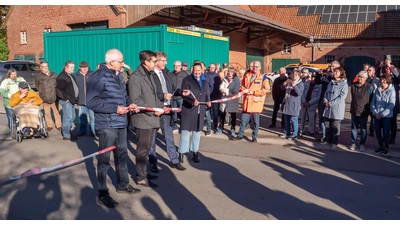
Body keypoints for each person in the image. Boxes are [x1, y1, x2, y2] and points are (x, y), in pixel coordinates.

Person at [87, 49, 141, 209]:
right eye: (120, 62)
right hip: (107, 125)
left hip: (121, 123)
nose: (123, 64)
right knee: (104, 161)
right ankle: (103, 194)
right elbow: (91, 102)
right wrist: (115, 109)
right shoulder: (97, 78)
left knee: (122, 156)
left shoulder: (118, 76)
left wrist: (129, 103)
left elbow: (123, 96)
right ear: (111, 62)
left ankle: (123, 184)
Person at [130, 50, 163, 188]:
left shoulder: (149, 74)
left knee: (147, 148)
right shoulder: (136, 77)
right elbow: (135, 99)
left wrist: (161, 106)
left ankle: (144, 172)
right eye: (154, 61)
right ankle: (141, 177)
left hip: (151, 119)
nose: (156, 63)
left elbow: (154, 96)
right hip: (143, 119)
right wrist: (153, 110)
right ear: (145, 62)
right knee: (142, 150)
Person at [149, 51, 187, 172]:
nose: (166, 63)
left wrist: (181, 92)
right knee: (152, 139)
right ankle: (153, 162)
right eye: (164, 60)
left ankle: (174, 161)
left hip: (167, 111)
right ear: (157, 61)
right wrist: (162, 96)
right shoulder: (150, 75)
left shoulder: (165, 74)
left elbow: (171, 89)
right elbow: (150, 94)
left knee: (169, 137)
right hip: (155, 111)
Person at [178, 62, 211, 163]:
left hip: (200, 110)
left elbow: (206, 92)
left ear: (202, 70)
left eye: (199, 70)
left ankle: (195, 152)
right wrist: (192, 102)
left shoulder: (204, 80)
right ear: (192, 70)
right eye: (195, 70)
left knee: (197, 132)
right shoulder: (187, 79)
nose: (197, 72)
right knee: (185, 132)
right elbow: (184, 94)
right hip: (189, 109)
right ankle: (181, 153)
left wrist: (208, 101)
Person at [233, 60, 271, 142]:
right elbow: (242, 85)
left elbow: (267, 90)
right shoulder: (247, 75)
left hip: (256, 103)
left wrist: (254, 92)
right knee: (243, 120)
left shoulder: (263, 77)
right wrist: (244, 90)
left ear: (260, 67)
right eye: (253, 66)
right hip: (247, 103)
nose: (255, 68)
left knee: (256, 122)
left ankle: (254, 137)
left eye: (257, 67)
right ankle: (240, 135)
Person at [321, 67, 348, 149]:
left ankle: (335, 142)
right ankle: (328, 140)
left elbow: (342, 97)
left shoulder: (344, 84)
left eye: (336, 72)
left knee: (335, 126)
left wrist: (331, 103)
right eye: (334, 72)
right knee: (327, 125)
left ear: (341, 73)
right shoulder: (331, 83)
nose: (334, 73)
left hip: (336, 107)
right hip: (328, 108)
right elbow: (326, 93)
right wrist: (325, 100)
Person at [0, 68, 28, 140]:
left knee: (21, 116)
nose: (14, 76)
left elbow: (28, 87)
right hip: (9, 103)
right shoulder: (6, 81)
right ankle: (12, 132)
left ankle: (23, 130)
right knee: (11, 118)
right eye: (12, 74)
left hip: (20, 101)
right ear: (9, 75)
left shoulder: (20, 79)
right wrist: (9, 95)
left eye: (15, 74)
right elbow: (2, 91)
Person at [371, 74, 396, 156]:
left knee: (386, 132)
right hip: (377, 114)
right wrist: (375, 112)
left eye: (384, 81)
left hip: (386, 116)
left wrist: (382, 114)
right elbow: (373, 102)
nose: (382, 82)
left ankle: (386, 148)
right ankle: (380, 145)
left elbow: (391, 105)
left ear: (388, 81)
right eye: (381, 81)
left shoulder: (391, 91)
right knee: (377, 130)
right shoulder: (378, 89)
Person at [349, 70, 373, 152]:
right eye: (359, 76)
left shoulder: (369, 87)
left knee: (363, 128)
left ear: (365, 78)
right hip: (354, 109)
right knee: (354, 128)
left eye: (361, 77)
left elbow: (371, 98)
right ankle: (353, 143)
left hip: (364, 111)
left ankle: (362, 144)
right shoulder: (353, 86)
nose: (359, 78)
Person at [35, 61, 62, 132]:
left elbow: (58, 84)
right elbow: (37, 86)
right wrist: (42, 92)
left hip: (54, 97)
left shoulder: (54, 74)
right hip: (44, 97)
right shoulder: (39, 77)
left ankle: (59, 125)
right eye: (43, 67)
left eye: (46, 66)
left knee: (56, 112)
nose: (45, 68)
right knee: (47, 113)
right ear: (41, 68)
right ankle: (49, 125)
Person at [317, 61, 340, 142]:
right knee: (323, 119)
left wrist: (330, 77)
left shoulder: (338, 77)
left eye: (333, 67)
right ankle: (324, 135)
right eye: (331, 66)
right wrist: (319, 74)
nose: (331, 68)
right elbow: (318, 81)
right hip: (324, 99)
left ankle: (333, 138)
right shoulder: (327, 75)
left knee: (333, 122)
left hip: (333, 102)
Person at [56, 61, 79, 141]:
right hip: (67, 101)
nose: (73, 69)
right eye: (71, 67)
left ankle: (67, 130)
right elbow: (59, 89)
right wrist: (65, 98)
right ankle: (66, 135)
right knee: (68, 117)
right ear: (66, 68)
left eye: (73, 67)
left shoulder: (69, 75)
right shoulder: (62, 77)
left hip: (71, 100)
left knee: (72, 116)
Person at [280, 70, 304, 140]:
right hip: (287, 103)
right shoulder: (289, 81)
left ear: (299, 76)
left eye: (296, 74)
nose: (295, 76)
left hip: (294, 104)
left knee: (294, 120)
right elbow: (282, 88)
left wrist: (295, 86)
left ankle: (294, 134)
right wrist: (283, 84)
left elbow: (299, 93)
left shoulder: (300, 83)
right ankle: (287, 132)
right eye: (294, 74)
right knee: (286, 119)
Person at [74, 61, 96, 137]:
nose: (84, 69)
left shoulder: (93, 74)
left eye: (86, 68)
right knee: (82, 117)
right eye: (83, 68)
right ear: (79, 68)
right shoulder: (76, 76)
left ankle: (93, 131)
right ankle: (82, 130)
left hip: (91, 101)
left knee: (92, 117)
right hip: (81, 100)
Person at [380, 64, 399, 144]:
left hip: (393, 104)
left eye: (388, 69)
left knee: (393, 122)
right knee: (385, 122)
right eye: (385, 69)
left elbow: (399, 77)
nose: (386, 70)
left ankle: (392, 138)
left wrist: (391, 67)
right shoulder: (383, 80)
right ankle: (385, 137)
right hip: (384, 104)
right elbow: (379, 74)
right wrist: (380, 67)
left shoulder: (395, 80)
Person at [219, 68, 241, 135]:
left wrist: (225, 92)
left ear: (234, 73)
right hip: (225, 100)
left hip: (233, 100)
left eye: (231, 72)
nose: (229, 74)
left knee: (233, 115)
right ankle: (220, 128)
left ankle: (232, 128)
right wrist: (229, 90)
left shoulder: (236, 80)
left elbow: (236, 91)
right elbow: (220, 88)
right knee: (222, 114)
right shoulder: (224, 79)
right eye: (228, 72)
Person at [168, 60, 188, 132]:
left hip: (181, 97)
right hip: (173, 97)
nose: (176, 67)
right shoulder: (170, 74)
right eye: (175, 66)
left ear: (180, 66)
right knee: (174, 112)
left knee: (183, 112)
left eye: (178, 66)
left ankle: (183, 127)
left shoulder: (185, 74)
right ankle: (174, 126)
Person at [299, 72, 321, 136]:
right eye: (312, 77)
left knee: (311, 118)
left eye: (314, 77)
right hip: (304, 103)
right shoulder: (306, 83)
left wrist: (309, 103)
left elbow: (318, 96)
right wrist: (303, 101)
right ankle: (302, 130)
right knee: (303, 117)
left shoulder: (319, 86)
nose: (313, 79)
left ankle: (311, 131)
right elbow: (302, 92)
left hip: (312, 104)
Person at [204, 63, 222, 135]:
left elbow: (219, 87)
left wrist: (219, 95)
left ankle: (215, 125)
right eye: (210, 67)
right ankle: (208, 128)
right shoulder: (205, 76)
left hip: (215, 97)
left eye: (213, 68)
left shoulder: (217, 77)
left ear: (215, 69)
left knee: (215, 112)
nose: (211, 69)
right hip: (207, 97)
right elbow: (205, 88)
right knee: (207, 113)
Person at [366, 66, 381, 137]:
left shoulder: (377, 80)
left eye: (370, 70)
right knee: (364, 116)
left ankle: (372, 130)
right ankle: (363, 129)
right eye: (368, 70)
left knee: (373, 117)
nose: (368, 72)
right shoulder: (365, 79)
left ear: (374, 72)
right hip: (366, 101)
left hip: (373, 100)